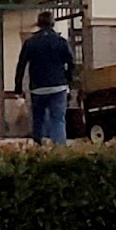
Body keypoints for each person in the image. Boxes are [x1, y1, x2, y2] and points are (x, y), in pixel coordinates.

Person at [13, 11, 75, 144]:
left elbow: (21, 65)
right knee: (58, 119)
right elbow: (71, 63)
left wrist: (18, 87)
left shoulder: (31, 42)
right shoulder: (61, 42)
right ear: (53, 24)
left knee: (38, 118)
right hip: (59, 86)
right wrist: (68, 80)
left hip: (38, 87)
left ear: (39, 24)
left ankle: (39, 145)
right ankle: (59, 148)